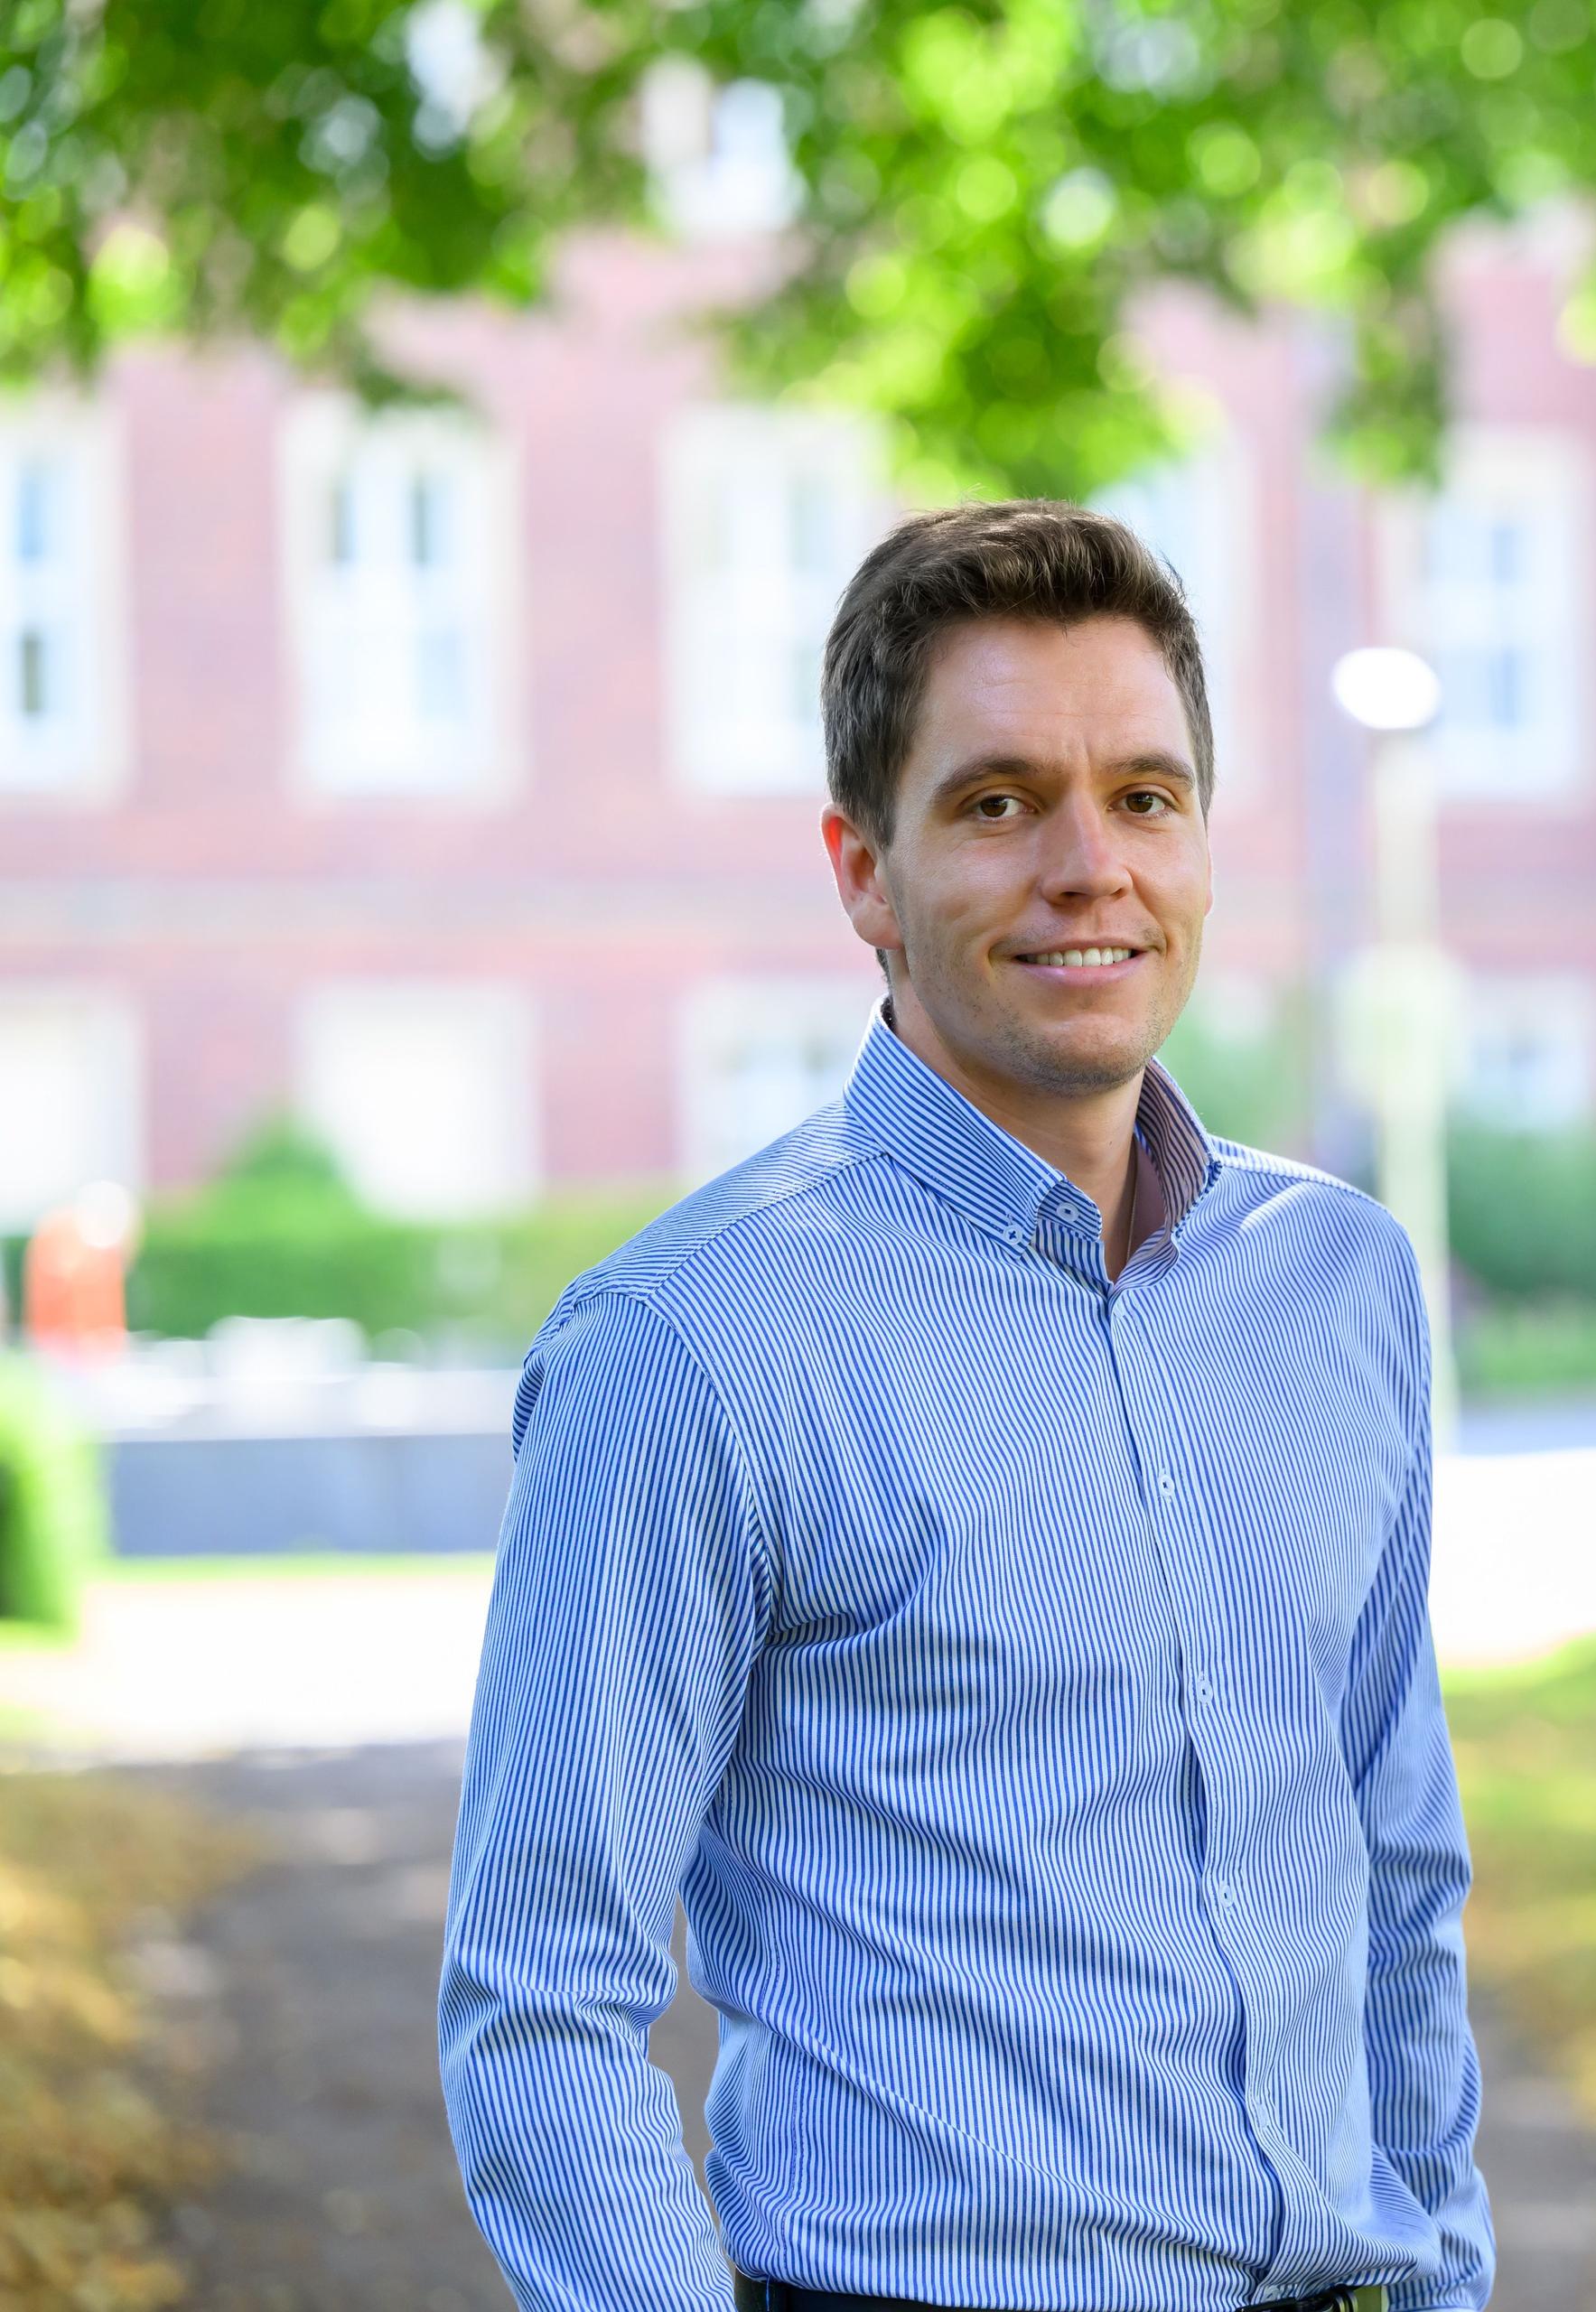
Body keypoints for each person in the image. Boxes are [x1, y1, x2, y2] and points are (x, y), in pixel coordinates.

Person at [438, 503, 1489, 2312]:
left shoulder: (1343, 1285)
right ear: (863, 870)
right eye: (1000, 802)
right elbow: (542, 1998)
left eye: (1147, 797)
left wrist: (1451, 2273)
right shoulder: (692, 1346)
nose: (1092, 865)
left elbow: (1396, 1872)